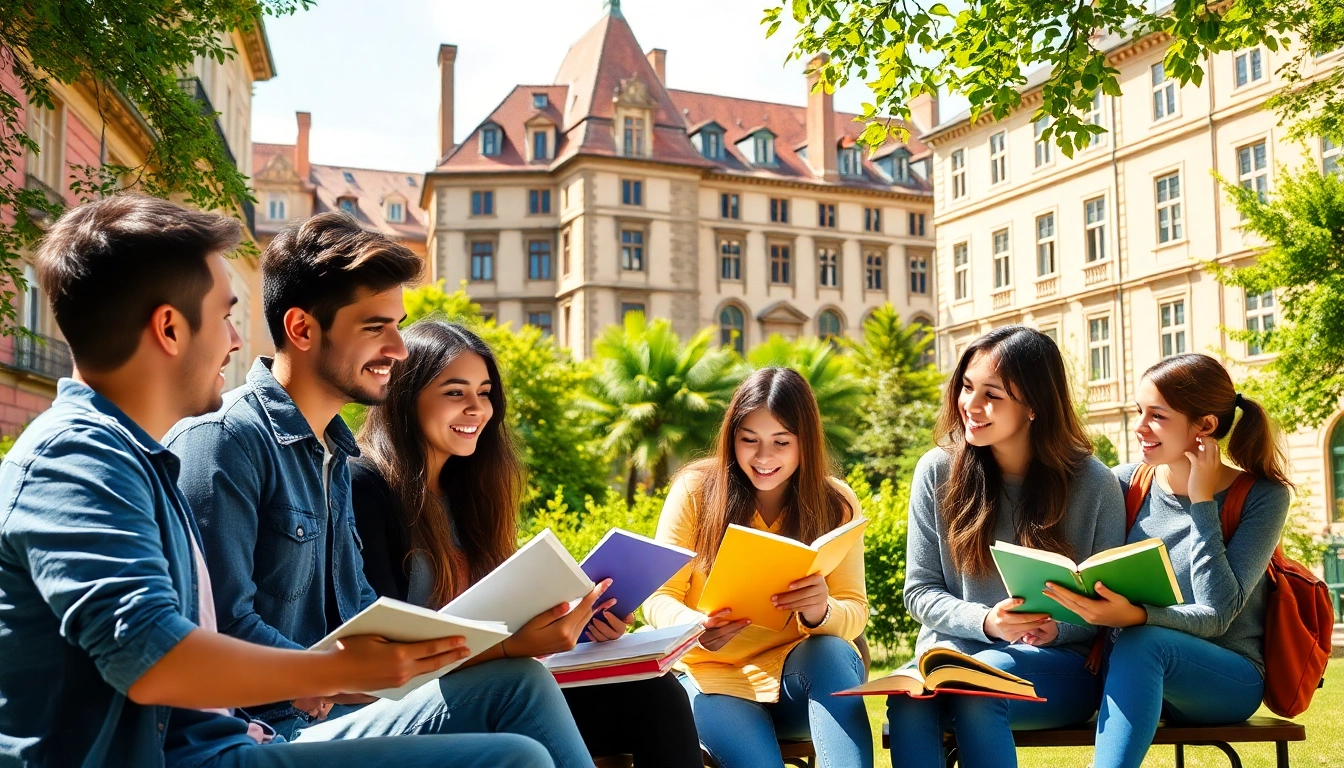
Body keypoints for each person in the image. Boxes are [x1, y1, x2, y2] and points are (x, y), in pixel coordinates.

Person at [0, 194, 551, 767]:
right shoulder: (75, 459)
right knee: (513, 759)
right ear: (168, 328)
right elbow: (150, 656)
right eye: (224, 317)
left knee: (518, 694)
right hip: (210, 751)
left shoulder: (137, 458)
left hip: (231, 742)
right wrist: (329, 671)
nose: (236, 340)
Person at [166, 213, 592, 767]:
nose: (399, 348)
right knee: (518, 754)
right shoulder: (225, 441)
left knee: (521, 681)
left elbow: (362, 616)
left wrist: (509, 636)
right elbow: (220, 626)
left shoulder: (334, 456)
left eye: (398, 325)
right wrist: (338, 674)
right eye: (375, 328)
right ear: (301, 329)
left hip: (335, 713)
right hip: (262, 730)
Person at [350, 319, 704, 767]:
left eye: (485, 393)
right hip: (418, 704)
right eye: (455, 392)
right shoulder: (366, 485)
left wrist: (581, 627)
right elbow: (383, 660)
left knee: (655, 692)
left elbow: (502, 615)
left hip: (502, 682)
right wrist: (512, 648)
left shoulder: (469, 494)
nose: (477, 409)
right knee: (525, 682)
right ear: (406, 397)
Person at [888, 325, 1125, 768]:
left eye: (991, 395)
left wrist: (1058, 628)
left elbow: (1109, 605)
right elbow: (919, 592)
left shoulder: (1095, 484)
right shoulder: (937, 471)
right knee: (907, 702)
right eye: (966, 387)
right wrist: (988, 622)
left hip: (1055, 666)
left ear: (1034, 404)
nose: (970, 407)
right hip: (951, 656)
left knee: (979, 691)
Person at [1042, 353, 1292, 768]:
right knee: (1140, 643)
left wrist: (1202, 501)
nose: (1140, 426)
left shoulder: (1263, 497)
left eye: (1157, 415)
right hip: (1128, 674)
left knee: (1145, 640)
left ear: (1205, 426)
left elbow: (1216, 614)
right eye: (1140, 411)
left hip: (1225, 682)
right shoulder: (1123, 483)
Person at [643, 367, 873, 768]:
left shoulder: (836, 501)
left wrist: (822, 610)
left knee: (832, 651)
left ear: (806, 444)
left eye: (781, 442)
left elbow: (855, 610)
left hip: (798, 680)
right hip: (711, 679)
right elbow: (659, 598)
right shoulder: (695, 490)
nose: (763, 458)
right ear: (732, 438)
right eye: (749, 440)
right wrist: (694, 627)